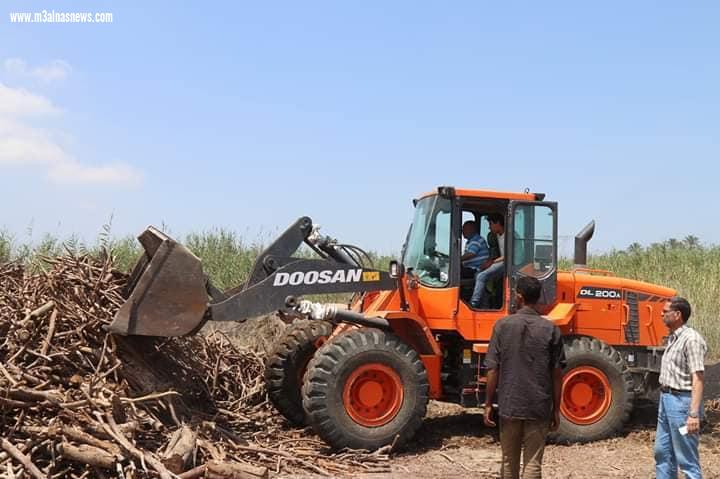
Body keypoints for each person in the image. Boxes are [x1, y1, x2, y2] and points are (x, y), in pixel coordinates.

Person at [483, 276, 565, 479]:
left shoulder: (502, 326)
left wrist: (488, 403)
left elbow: (492, 369)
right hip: (539, 407)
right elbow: (557, 375)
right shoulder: (551, 329)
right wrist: (556, 409)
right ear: (537, 298)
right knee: (533, 463)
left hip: (510, 404)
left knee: (509, 461)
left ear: (519, 296)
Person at [654, 296, 707, 479]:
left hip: (682, 405)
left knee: (686, 459)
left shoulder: (691, 340)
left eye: (665, 311)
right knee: (662, 453)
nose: (661, 314)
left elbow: (698, 378)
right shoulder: (673, 338)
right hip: (666, 400)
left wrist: (693, 414)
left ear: (677, 315)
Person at [470, 213, 506, 308]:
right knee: (477, 274)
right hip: (500, 261)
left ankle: (474, 303)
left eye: (490, 224)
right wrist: (488, 262)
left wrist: (491, 262)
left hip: (508, 264)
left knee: (482, 276)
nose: (489, 228)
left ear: (498, 223)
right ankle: (485, 304)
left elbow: (508, 255)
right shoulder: (497, 236)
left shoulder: (509, 236)